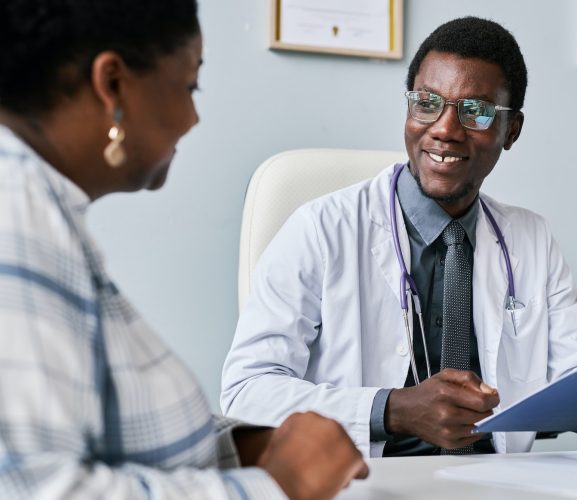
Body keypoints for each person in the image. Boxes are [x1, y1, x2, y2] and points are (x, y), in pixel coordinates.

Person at [221, 17, 577, 458]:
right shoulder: (321, 228)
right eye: (427, 103)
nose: (445, 130)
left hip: (496, 484)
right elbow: (245, 391)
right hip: (368, 484)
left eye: (474, 111)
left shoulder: (530, 239)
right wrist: (393, 409)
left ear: (510, 129)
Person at [0, 1, 367, 498]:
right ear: (112, 84)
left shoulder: (42, 206)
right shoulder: (16, 216)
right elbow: (35, 488)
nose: (194, 117)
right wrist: (280, 485)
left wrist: (244, 446)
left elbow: (113, 434)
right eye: (189, 85)